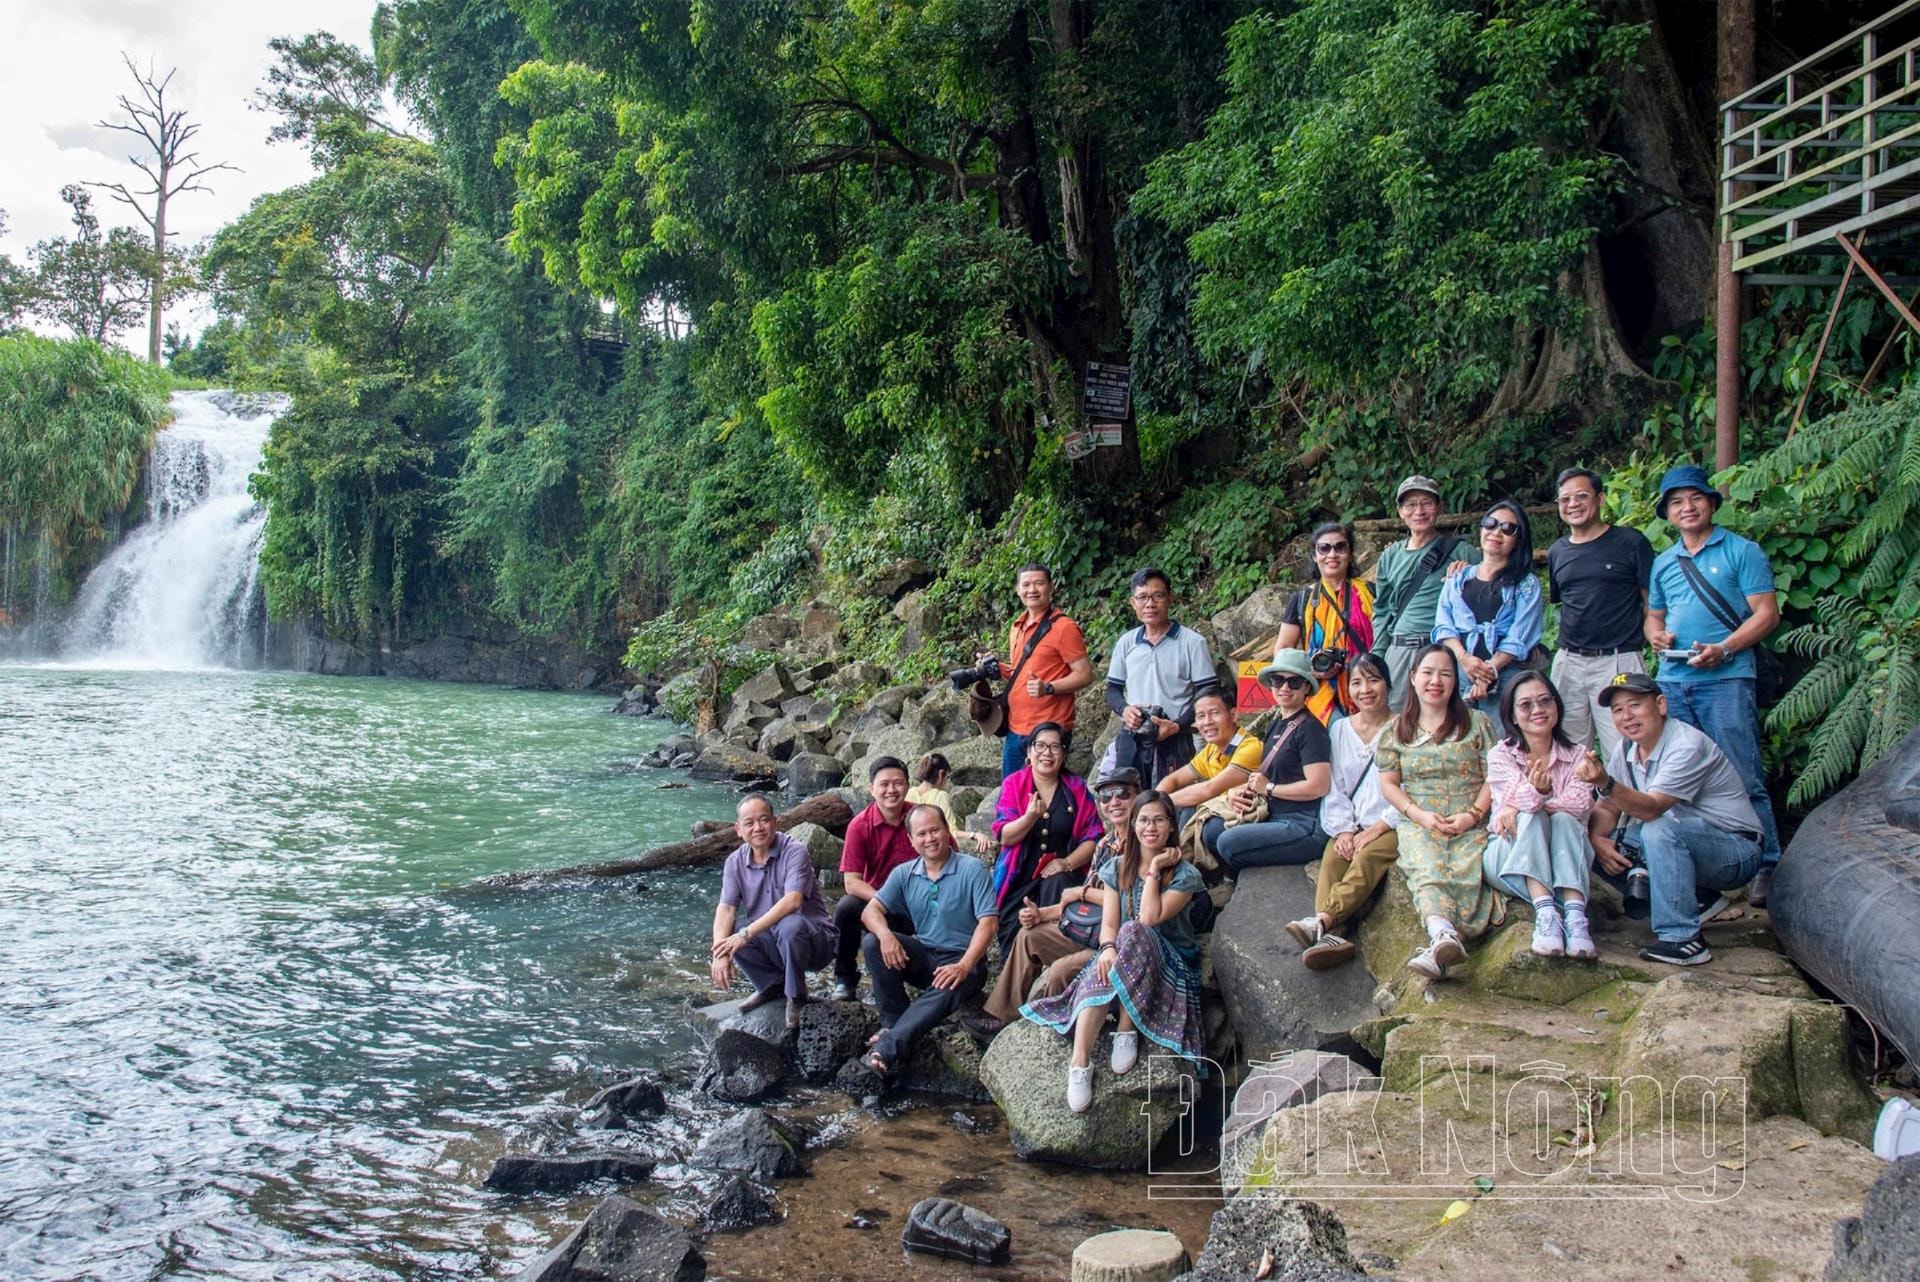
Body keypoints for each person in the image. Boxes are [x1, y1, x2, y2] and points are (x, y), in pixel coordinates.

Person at [1644, 463, 1783, 906]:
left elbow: (1766, 613)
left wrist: (1724, 649)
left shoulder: (1742, 551)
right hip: (1673, 679)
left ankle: (1766, 862)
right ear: (1667, 513)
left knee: (1743, 771)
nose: (1687, 508)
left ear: (1711, 503)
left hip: (1725, 678)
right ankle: (1702, 868)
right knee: (1677, 776)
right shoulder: (1665, 562)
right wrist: (1656, 636)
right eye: (1677, 502)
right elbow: (1654, 616)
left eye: (1695, 499)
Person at [1021, 790, 1207, 1114]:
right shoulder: (1116, 867)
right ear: (1133, 824)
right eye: (1144, 820)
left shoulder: (1184, 875)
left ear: (1171, 826)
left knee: (1133, 930)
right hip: (1122, 952)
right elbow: (1109, 923)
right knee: (1110, 952)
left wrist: (1154, 870)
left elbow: (1149, 919)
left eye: (1159, 820)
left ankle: (1126, 1026)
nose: (1151, 827)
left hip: (1170, 965)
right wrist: (1106, 949)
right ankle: (1080, 1062)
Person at [1581, 672, 1764, 967]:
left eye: (1635, 705)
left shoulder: (1686, 744)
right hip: (1686, 841)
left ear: (1661, 705)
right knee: (1583, 833)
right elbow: (1607, 808)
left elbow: (1652, 809)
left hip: (1735, 851)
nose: (1627, 716)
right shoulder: (1626, 748)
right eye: (1617, 710)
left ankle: (1684, 939)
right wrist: (1596, 839)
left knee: (1659, 829)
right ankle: (1700, 899)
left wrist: (1606, 781)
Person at [968, 766, 1141, 1036]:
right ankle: (1000, 1014)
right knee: (1029, 935)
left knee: (1060, 970)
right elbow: (1088, 900)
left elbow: (1132, 901)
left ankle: (1047, 1027)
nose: (1114, 802)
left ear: (1138, 797)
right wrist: (1043, 915)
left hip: (1122, 938)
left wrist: (1080, 893)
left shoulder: (1143, 841)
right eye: (1106, 797)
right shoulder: (1106, 844)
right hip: (1095, 928)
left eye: (1122, 794)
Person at [1376, 644, 1500, 978]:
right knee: (1427, 866)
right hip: (1421, 820)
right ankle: (1442, 934)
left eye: (1445, 674)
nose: (1436, 681)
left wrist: (1472, 815)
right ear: (1413, 677)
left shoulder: (1477, 723)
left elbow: (1497, 776)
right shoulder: (1395, 730)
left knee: (1467, 867)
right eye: (1428, 673)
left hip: (1471, 818)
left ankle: (1444, 944)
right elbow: (1388, 784)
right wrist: (1418, 815)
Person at [861, 805, 999, 1075]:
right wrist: (887, 935)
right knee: (872, 942)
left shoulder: (972, 869)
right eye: (921, 834)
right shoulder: (905, 873)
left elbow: (988, 923)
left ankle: (888, 1046)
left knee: (948, 985)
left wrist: (964, 964)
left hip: (965, 962)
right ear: (911, 841)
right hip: (926, 955)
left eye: (935, 830)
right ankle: (891, 1020)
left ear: (947, 831)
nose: (930, 838)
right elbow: (870, 911)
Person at [1283, 652, 1399, 969]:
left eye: (1373, 680)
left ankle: (1322, 922)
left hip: (1392, 824)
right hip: (1354, 822)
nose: (1365, 689)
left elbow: (1411, 788)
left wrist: (1378, 828)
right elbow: (1334, 787)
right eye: (1357, 682)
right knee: (1334, 859)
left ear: (1388, 684)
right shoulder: (1340, 730)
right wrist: (1345, 829)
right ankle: (1330, 935)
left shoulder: (1405, 729)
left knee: (1366, 858)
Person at [1480, 672, 1597, 959]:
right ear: (1512, 716)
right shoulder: (1502, 755)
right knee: (1532, 818)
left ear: (1557, 706)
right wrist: (1533, 799)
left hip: (1562, 851)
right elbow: (1523, 808)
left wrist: (1528, 801)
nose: (1537, 710)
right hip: (1508, 854)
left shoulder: (1578, 754)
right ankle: (1546, 913)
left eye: (1545, 701)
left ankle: (1575, 919)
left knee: (1563, 820)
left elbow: (1580, 805)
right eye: (1526, 705)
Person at [1546, 467, 1654, 757]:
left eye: (1581, 496)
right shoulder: (1558, 551)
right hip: (1569, 661)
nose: (1573, 505)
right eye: (1564, 499)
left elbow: (1651, 602)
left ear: (1601, 498)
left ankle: (1631, 803)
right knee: (1567, 748)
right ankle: (1577, 804)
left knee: (1626, 747)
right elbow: (1566, 602)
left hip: (1619, 659)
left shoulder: (1631, 542)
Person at [709, 795, 838, 1028]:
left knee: (789, 924)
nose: (758, 828)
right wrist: (720, 952)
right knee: (732, 931)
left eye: (764, 820)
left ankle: (796, 996)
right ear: (738, 829)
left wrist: (745, 934)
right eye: (749, 823)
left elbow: (793, 901)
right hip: (773, 941)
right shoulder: (734, 862)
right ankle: (771, 986)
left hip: (815, 942)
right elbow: (726, 908)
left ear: (775, 822)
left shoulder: (794, 851)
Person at [1211, 651, 1333, 873]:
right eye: (1278, 680)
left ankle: (1238, 886)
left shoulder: (1311, 730)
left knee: (1227, 843)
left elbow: (1319, 786)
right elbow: (1268, 774)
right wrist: (1237, 792)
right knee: (1211, 829)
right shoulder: (1277, 723)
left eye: (1294, 682)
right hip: (1273, 811)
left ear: (1306, 687)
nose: (1285, 688)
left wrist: (1269, 788)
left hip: (1303, 823)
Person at [989, 721, 1103, 956]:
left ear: (1064, 754)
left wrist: (1067, 862)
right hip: (1019, 877)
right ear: (1029, 752)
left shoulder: (1077, 788)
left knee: (1058, 884)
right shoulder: (1014, 784)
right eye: (1040, 746)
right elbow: (1005, 837)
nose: (1047, 753)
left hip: (1062, 878)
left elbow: (1094, 837)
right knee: (1012, 946)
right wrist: (1030, 817)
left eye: (1055, 747)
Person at [1432, 500, 1543, 736]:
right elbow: (1444, 625)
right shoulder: (1458, 576)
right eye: (1490, 524)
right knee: (1458, 744)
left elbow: (1520, 635)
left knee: (1504, 746)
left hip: (1507, 677)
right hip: (1460, 673)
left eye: (1508, 528)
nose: (1496, 532)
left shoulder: (1526, 583)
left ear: (1518, 540)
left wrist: (1490, 669)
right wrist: (1464, 659)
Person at [1372, 475, 1480, 711]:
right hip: (1399, 650)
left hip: (1442, 648)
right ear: (1400, 511)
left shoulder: (1461, 552)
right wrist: (1377, 657)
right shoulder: (1390, 556)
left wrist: (1470, 573)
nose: (1419, 511)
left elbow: (1490, 588)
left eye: (1426, 503)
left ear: (1439, 507)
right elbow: (1381, 611)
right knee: (1397, 718)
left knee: (1449, 718)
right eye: (1411, 504)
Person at [1105, 568, 1220, 782]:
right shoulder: (1126, 643)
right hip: (1134, 736)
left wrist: (1177, 725)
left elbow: (1208, 692)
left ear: (1170, 599)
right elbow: (1112, 689)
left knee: (1175, 802)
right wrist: (1125, 709)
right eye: (1142, 597)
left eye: (1158, 596)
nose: (1150, 604)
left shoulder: (1192, 642)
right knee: (1129, 797)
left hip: (1178, 735)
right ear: (1133, 603)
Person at [980, 563, 1095, 777]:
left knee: (1046, 796)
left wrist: (1049, 688)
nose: (1032, 590)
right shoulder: (1017, 626)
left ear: (1050, 587)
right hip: (1016, 726)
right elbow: (1021, 671)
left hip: (1050, 729)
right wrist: (995, 667)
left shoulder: (1063, 627)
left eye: (1039, 583)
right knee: (1012, 796)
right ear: (1018, 590)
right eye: (1026, 585)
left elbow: (1085, 674)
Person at [830, 757, 919, 1001]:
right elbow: (851, 882)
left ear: (908, 785)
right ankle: (845, 978)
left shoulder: (919, 818)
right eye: (884, 784)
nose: (891, 790)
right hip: (878, 901)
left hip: (920, 900)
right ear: (872, 789)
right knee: (847, 906)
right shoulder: (860, 826)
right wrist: (887, 900)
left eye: (898, 783)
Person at [1272, 521, 1375, 723]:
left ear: (1350, 554)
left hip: (1367, 685)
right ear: (1315, 555)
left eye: (1340, 547)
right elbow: (1282, 650)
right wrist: (1311, 670)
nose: (1332, 554)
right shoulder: (1303, 599)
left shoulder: (1371, 593)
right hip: (1321, 690)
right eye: (1324, 548)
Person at [1158, 686, 1263, 818]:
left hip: (1247, 819)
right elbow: (1174, 779)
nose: (1207, 722)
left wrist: (1158, 802)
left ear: (1234, 715)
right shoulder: (1212, 750)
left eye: (1214, 713)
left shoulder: (1250, 748)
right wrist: (1154, 800)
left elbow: (1209, 789)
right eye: (1201, 716)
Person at [906, 753, 991, 854]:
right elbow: (950, 831)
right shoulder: (940, 796)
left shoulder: (908, 792)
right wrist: (974, 835)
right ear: (941, 774)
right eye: (947, 777)